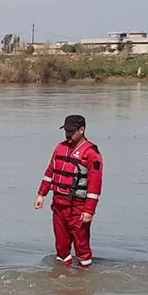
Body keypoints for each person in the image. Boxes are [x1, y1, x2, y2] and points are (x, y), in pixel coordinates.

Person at [34, 114, 104, 267]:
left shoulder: (92, 154)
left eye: (72, 131)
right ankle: (62, 279)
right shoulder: (60, 148)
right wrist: (41, 194)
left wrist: (89, 211)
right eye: (66, 130)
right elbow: (50, 172)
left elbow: (95, 185)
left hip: (78, 207)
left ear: (82, 130)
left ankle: (85, 279)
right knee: (61, 246)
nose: (68, 134)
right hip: (59, 205)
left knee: (82, 246)